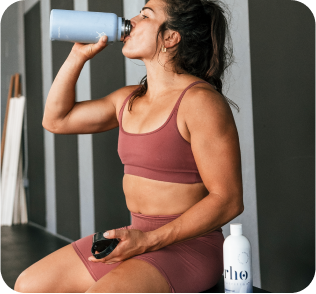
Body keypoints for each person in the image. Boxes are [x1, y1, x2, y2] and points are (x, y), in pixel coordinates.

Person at [14, 0, 243, 293]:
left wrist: (149, 241)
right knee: (27, 285)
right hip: (135, 237)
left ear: (171, 37)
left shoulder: (200, 102)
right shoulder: (128, 99)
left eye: (145, 14)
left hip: (189, 248)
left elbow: (229, 199)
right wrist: (77, 55)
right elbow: (56, 120)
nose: (132, 20)